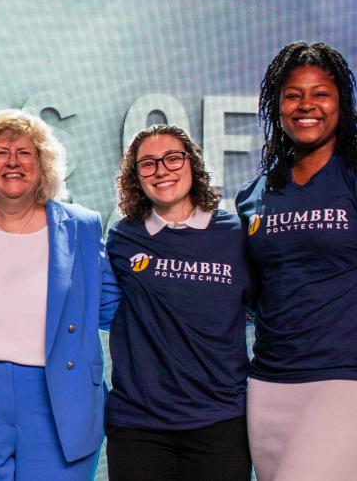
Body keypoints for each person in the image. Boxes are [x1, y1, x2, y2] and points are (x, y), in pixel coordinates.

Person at [0, 109, 120, 480]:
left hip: (60, 401)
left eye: (25, 152)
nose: (13, 162)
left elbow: (115, 308)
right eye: (0, 152)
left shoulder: (81, 227)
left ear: (44, 164)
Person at [235, 41, 357, 480]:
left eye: (321, 93)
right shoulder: (254, 195)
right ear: (277, 105)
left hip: (345, 379)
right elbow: (252, 291)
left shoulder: (356, 175)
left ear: (341, 102)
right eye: (293, 95)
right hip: (269, 382)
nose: (307, 105)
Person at [104, 124, 252, 481]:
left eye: (172, 158)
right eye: (148, 163)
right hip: (138, 427)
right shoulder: (123, 237)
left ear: (193, 164)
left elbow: (257, 307)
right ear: (135, 176)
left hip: (220, 421)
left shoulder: (234, 235)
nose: (162, 170)